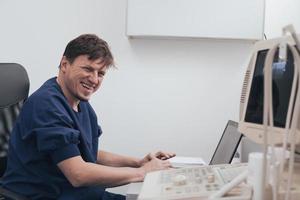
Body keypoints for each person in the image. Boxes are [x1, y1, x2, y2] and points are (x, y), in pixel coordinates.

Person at [0, 34, 175, 200]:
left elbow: (86, 152)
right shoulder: (46, 105)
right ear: (64, 64)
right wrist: (142, 173)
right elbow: (78, 174)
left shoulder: (79, 102)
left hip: (78, 194)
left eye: (101, 73)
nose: (94, 79)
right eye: (87, 69)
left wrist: (138, 162)